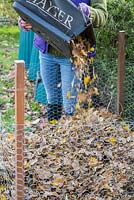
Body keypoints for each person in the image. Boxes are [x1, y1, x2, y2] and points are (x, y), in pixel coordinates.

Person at [18, 0, 108, 122]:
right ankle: (53, 132)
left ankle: (70, 136)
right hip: (47, 50)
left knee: (70, 104)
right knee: (52, 99)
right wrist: (26, 19)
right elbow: (34, 4)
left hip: (72, 55)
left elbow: (102, 16)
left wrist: (88, 11)